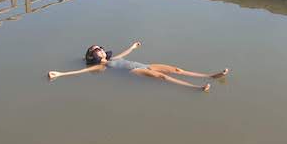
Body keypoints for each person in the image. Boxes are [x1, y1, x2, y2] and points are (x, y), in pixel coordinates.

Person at [47, 41, 229, 92]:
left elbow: (125, 55)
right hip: (133, 70)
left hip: (143, 64)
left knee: (176, 69)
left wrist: (132, 47)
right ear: (92, 56)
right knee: (162, 77)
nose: (100, 50)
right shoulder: (101, 67)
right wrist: (61, 74)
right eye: (95, 50)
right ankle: (197, 88)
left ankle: (210, 75)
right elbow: (83, 70)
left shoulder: (112, 58)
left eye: (100, 48)